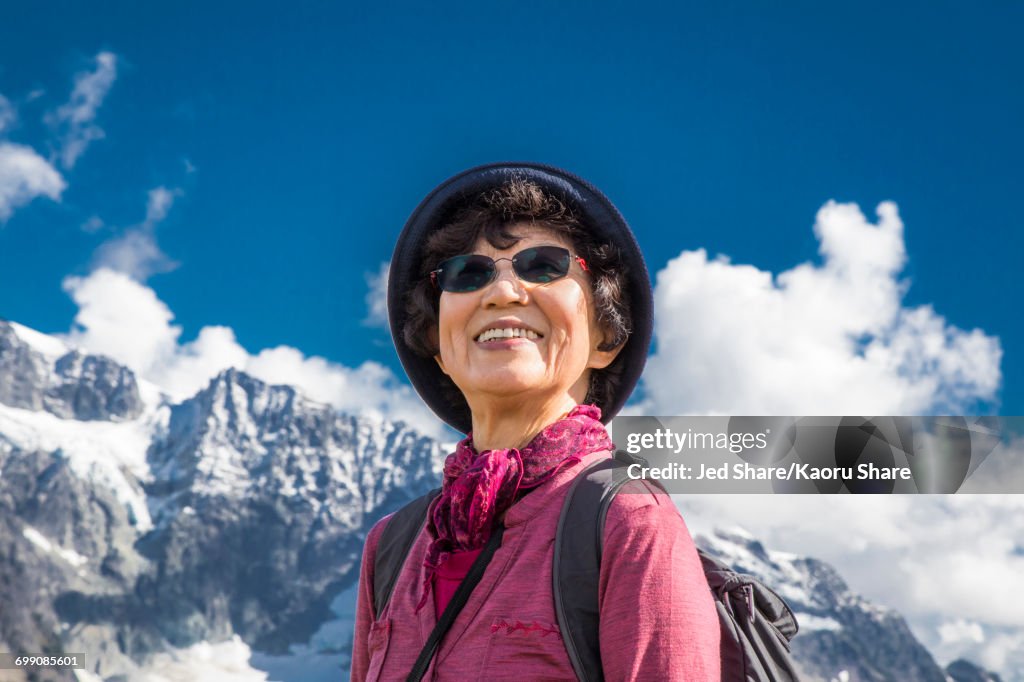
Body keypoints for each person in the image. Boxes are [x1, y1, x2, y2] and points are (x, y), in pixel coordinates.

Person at [351, 162, 720, 681]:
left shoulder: (628, 518)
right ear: (437, 347)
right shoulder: (389, 547)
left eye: (543, 265)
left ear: (606, 338)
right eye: (467, 273)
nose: (502, 291)